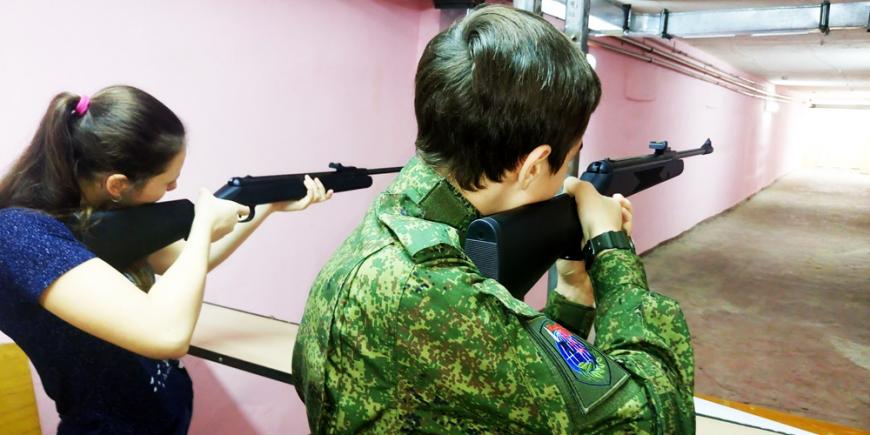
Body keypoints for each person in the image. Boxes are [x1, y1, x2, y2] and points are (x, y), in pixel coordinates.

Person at [293, 5, 694, 434]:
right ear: (534, 166)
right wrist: (612, 250)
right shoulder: (431, 290)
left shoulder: (389, 226)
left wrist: (574, 292)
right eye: (569, 158)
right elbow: (660, 418)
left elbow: (517, 392)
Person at [0, 85, 331, 434]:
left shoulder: (90, 211)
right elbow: (166, 334)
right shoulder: (19, 236)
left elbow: (188, 260)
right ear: (117, 184)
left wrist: (268, 204)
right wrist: (202, 226)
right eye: (168, 181)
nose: (173, 189)